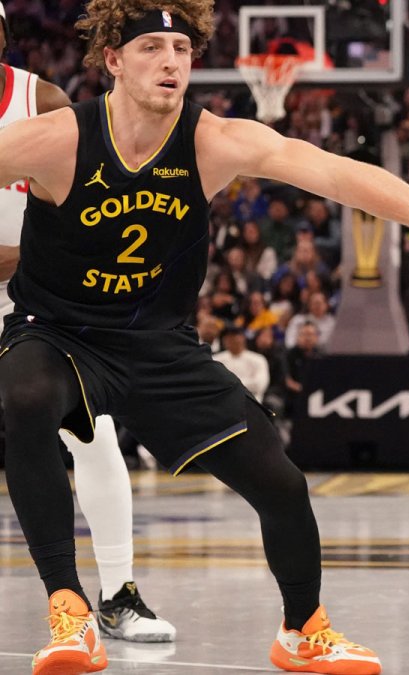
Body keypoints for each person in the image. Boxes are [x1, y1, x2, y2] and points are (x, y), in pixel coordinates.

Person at [0, 3, 409, 673]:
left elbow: (330, 171)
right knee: (25, 394)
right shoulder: (61, 137)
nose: (171, 61)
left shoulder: (211, 140)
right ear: (114, 61)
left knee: (281, 480)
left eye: (180, 48)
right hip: (63, 331)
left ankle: (303, 629)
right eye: (151, 47)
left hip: (159, 342)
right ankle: (69, 609)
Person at [0, 0, 176, 645]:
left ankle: (118, 593)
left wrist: (26, 260)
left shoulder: (41, 100)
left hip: (41, 300)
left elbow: (89, 205)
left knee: (92, 434)